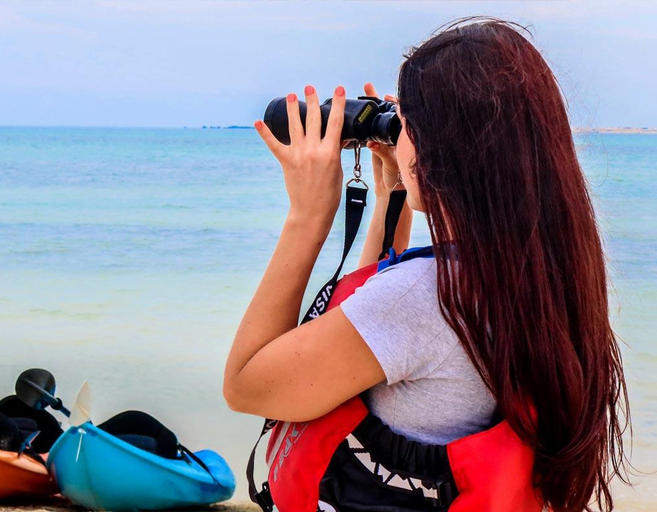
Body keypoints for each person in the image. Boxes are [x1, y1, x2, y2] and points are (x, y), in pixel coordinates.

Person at [224, 18, 629, 512]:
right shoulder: (544, 272)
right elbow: (371, 322)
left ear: (442, 149)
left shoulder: (426, 297)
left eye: (407, 126)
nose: (399, 138)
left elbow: (247, 385)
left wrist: (309, 216)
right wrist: (392, 191)